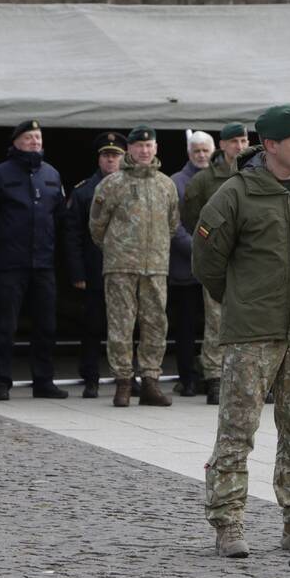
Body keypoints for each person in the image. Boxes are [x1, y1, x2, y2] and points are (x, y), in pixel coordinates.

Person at [193, 104, 290, 559]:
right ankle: (228, 523)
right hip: (252, 332)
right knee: (237, 431)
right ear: (272, 145)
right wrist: (243, 299)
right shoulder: (236, 194)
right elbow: (207, 261)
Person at [0, 120, 69, 401]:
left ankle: (43, 380)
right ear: (16, 142)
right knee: (7, 325)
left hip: (43, 262)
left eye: (38, 137)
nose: (35, 142)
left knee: (46, 325)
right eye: (29, 138)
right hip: (10, 262)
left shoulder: (51, 174)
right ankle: (1, 381)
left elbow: (60, 216)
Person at [90, 124, 178, 407]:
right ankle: (123, 382)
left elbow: (173, 224)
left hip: (155, 266)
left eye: (149, 145)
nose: (144, 150)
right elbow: (97, 225)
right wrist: (118, 249)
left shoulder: (166, 184)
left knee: (155, 324)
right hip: (121, 266)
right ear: (129, 149)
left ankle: (151, 380)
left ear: (156, 148)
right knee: (120, 325)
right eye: (139, 146)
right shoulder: (113, 183)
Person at [182, 122, 249, 405]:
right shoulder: (205, 180)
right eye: (233, 141)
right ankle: (214, 377)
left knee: (251, 321)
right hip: (220, 262)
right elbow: (191, 219)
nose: (240, 146)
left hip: (250, 261)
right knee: (216, 322)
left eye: (244, 140)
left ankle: (247, 378)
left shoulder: (257, 174)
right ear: (221, 146)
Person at [64, 132, 129, 399]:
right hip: (96, 269)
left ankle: (126, 376)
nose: (111, 160)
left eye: (115, 156)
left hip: (127, 269)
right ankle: (91, 377)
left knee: (126, 325)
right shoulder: (84, 191)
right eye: (106, 155)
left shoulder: (133, 187)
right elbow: (73, 235)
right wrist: (77, 272)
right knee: (92, 326)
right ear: (99, 159)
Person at [169, 130, 214, 397]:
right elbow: (174, 227)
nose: (200, 155)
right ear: (189, 154)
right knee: (185, 328)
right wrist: (200, 250)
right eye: (196, 151)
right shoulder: (176, 182)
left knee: (213, 325)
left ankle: (212, 375)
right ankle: (187, 377)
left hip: (213, 270)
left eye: (204, 151)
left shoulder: (221, 181)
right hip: (185, 267)